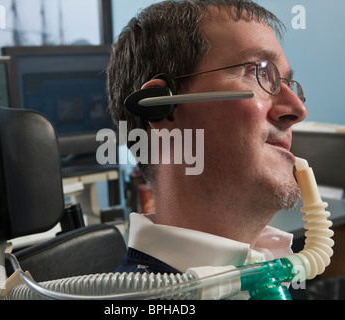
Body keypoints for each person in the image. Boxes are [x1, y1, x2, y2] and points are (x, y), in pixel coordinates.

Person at [106, 0, 308, 281]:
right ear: (160, 105)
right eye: (259, 73)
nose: (298, 109)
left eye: (288, 83)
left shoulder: (271, 270)